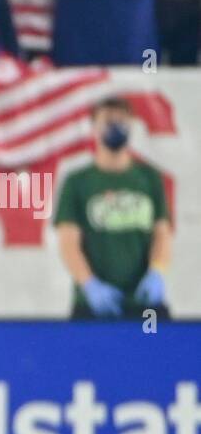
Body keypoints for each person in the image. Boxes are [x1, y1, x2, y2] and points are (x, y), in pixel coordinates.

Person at [54, 97, 172, 319]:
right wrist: (89, 284)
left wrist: (157, 272)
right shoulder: (78, 182)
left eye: (122, 120)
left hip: (144, 303)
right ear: (94, 127)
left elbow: (162, 234)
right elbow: (68, 242)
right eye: (108, 120)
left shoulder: (149, 178)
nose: (116, 126)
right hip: (91, 305)